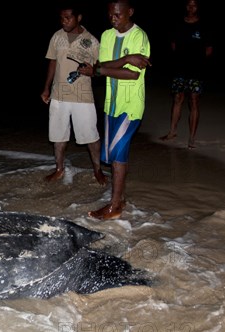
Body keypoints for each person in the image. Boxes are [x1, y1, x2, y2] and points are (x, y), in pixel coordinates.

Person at [77, 0, 151, 220]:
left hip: (131, 106)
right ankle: (122, 198)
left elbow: (133, 74)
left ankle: (115, 205)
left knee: (117, 153)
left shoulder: (140, 37)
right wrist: (127, 59)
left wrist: (103, 69)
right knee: (115, 154)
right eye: (110, 15)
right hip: (112, 104)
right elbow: (101, 64)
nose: (114, 18)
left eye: (118, 14)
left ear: (130, 12)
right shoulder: (107, 35)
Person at [40, 2, 107, 185]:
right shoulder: (57, 36)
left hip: (82, 95)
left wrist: (93, 71)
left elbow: (102, 65)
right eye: (61, 18)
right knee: (58, 136)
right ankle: (59, 169)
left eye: (68, 17)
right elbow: (52, 62)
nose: (64, 21)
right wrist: (46, 88)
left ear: (78, 18)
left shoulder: (91, 40)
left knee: (91, 136)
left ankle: (98, 170)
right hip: (59, 94)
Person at [159, 0, 213, 149]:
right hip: (180, 69)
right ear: (185, 6)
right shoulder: (178, 24)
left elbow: (209, 49)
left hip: (196, 70)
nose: (191, 7)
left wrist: (197, 62)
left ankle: (192, 138)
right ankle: (172, 132)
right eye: (188, 4)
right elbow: (173, 45)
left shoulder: (204, 26)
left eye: (194, 4)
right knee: (177, 98)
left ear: (198, 7)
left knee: (194, 100)